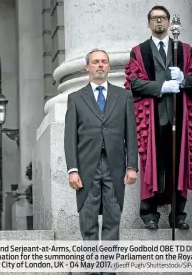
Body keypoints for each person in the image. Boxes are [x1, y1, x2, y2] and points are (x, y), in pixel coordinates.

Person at [124, 5, 192, 230]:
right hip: (153, 118)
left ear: (169, 22)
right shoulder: (139, 52)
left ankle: (178, 214)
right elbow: (134, 82)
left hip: (180, 118)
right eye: (154, 18)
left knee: (178, 165)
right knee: (152, 165)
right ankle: (149, 214)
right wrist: (162, 86)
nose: (159, 22)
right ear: (149, 23)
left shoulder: (185, 50)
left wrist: (184, 79)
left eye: (162, 18)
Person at [64, 49, 138, 251]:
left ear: (108, 66)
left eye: (104, 62)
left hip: (115, 166)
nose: (100, 65)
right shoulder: (76, 98)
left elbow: (131, 133)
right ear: (87, 67)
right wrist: (72, 170)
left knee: (113, 217)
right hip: (87, 167)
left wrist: (132, 165)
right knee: (88, 219)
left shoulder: (124, 96)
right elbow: (69, 137)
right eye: (96, 62)